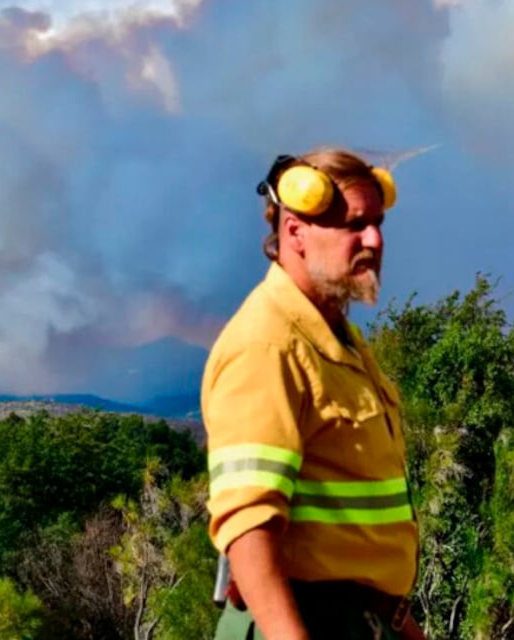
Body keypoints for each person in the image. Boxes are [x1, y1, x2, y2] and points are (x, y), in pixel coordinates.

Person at [201, 147, 426, 639]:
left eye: (378, 222)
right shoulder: (267, 346)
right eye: (353, 225)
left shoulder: (335, 341)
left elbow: (349, 540)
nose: (374, 239)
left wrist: (402, 626)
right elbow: (249, 531)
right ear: (296, 231)